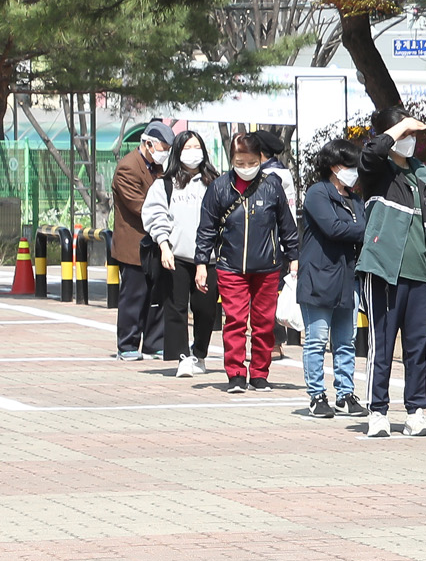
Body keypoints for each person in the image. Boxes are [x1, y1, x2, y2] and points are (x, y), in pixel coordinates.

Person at [356, 108, 426, 439]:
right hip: (383, 270)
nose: (409, 140)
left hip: (421, 273)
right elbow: (371, 153)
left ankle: (416, 412)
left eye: (412, 134)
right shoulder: (377, 171)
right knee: (381, 344)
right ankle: (377, 411)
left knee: (417, 348)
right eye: (403, 133)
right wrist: (401, 126)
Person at [193, 132, 300, 394]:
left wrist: (294, 258)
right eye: (240, 162)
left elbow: (287, 225)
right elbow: (206, 229)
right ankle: (237, 374)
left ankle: (260, 374)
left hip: (268, 267)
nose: (246, 168)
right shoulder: (219, 187)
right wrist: (201, 264)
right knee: (235, 322)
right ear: (232, 160)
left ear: (260, 159)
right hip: (230, 267)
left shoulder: (272, 185)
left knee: (264, 323)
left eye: (251, 162)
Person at [142, 129, 221, 377]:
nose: (192, 152)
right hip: (176, 256)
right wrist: (164, 245)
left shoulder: (215, 182)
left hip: (208, 259)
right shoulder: (164, 184)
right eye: (186, 147)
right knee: (175, 308)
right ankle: (182, 357)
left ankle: (199, 353)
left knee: (205, 309)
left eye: (196, 147)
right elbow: (155, 216)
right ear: (177, 151)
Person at [298, 139, 367, 418]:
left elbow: (358, 227)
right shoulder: (317, 193)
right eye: (348, 165)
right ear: (334, 166)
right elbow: (334, 228)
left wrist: (360, 227)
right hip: (318, 277)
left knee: (346, 341)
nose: (353, 171)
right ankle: (316, 395)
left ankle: (345, 394)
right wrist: (364, 228)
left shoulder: (355, 198)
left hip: (347, 279)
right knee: (316, 339)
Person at [111, 120, 174, 360]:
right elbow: (140, 206)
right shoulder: (128, 168)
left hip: (156, 243)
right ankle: (127, 344)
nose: (164, 153)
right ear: (147, 144)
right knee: (134, 296)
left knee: (157, 295)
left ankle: (153, 343)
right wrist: (166, 214)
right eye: (162, 147)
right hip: (134, 244)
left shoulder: (158, 169)